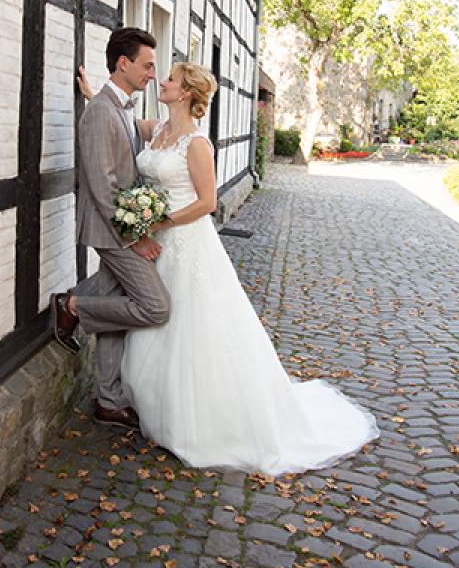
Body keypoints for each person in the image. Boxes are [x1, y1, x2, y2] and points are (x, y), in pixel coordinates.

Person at [64, 59, 379, 476]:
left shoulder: (197, 143)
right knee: (150, 313)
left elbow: (207, 202)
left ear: (186, 92)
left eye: (171, 79)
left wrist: (158, 222)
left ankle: (199, 418)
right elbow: (118, 122)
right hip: (154, 242)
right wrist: (94, 96)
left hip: (183, 241)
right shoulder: (157, 129)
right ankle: (133, 397)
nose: (163, 81)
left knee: (190, 323)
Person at [50, 27, 171, 430]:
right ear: (123, 63)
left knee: (116, 310)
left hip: (119, 224)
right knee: (155, 306)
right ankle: (72, 306)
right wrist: (135, 237)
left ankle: (108, 401)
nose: (153, 73)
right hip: (112, 231)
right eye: (147, 65)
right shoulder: (102, 111)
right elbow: (103, 187)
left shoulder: (118, 106)